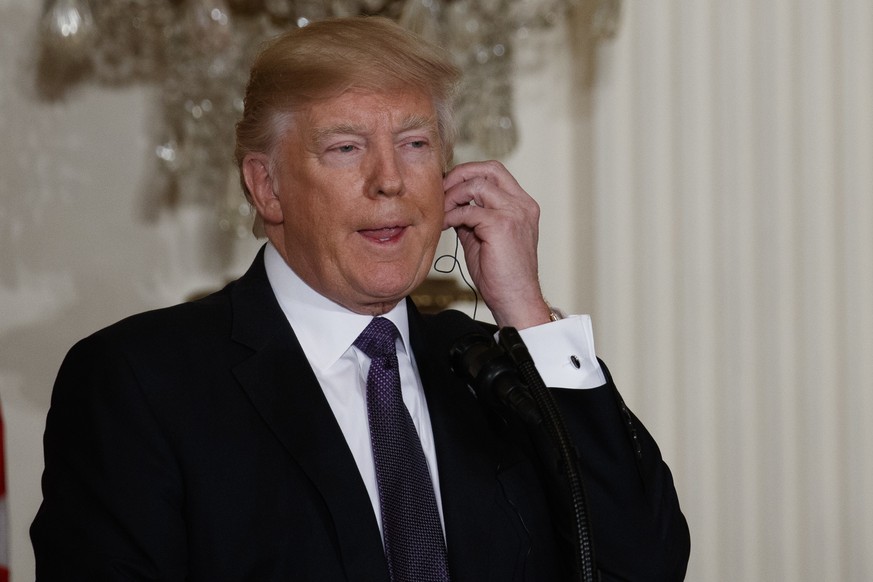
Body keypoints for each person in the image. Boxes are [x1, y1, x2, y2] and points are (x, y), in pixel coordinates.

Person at [31, 16, 689, 581]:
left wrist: (527, 314)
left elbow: (643, 562)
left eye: (414, 145)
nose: (388, 182)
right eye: (346, 149)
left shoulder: (489, 369)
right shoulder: (141, 381)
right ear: (267, 188)